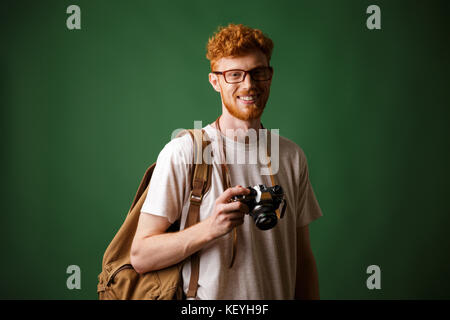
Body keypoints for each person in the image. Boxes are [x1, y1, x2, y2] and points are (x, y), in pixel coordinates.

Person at [130, 23, 323, 300]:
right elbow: (141, 255)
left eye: (258, 73)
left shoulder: (291, 156)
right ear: (215, 81)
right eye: (234, 75)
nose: (249, 85)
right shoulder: (184, 152)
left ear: (270, 76)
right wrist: (211, 227)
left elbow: (302, 259)